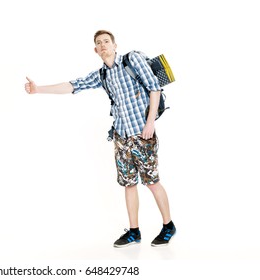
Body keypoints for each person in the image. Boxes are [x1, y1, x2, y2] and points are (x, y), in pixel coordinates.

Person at [24, 30, 176, 247]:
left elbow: (154, 88)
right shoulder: (102, 75)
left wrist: (150, 122)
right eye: (99, 43)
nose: (103, 45)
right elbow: (73, 85)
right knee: (129, 184)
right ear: (96, 51)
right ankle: (134, 232)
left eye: (107, 41)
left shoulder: (131, 60)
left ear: (115, 45)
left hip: (143, 134)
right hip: (121, 136)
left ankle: (168, 226)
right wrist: (38, 89)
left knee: (152, 182)